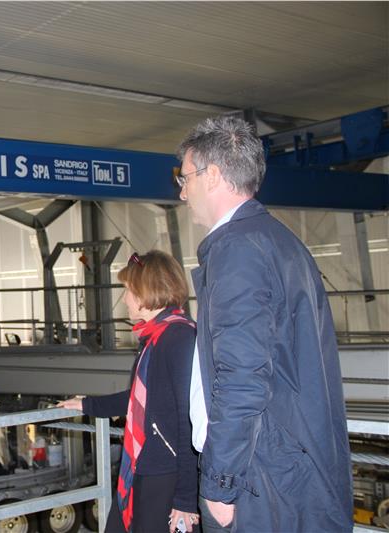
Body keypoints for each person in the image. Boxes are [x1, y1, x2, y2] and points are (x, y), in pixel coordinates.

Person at [176, 116, 353, 531]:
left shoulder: (237, 250)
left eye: (185, 178)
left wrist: (220, 483)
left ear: (212, 175)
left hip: (260, 477)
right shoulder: (278, 240)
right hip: (286, 466)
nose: (182, 192)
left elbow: (242, 375)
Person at [59, 250, 198, 533]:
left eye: (128, 290)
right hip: (145, 464)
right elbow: (140, 399)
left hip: (166, 474)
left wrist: (186, 498)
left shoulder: (179, 338)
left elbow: (189, 421)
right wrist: (87, 405)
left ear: (147, 291)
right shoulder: (156, 336)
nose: (124, 299)